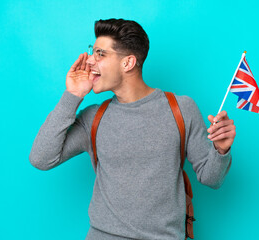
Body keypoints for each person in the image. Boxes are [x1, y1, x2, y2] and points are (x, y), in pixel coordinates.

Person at [29, 18, 235, 240]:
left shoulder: (181, 109)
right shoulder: (94, 117)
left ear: (127, 63)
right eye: (92, 51)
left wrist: (220, 151)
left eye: (100, 53)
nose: (89, 60)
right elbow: (41, 158)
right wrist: (73, 95)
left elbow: (211, 179)